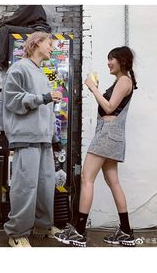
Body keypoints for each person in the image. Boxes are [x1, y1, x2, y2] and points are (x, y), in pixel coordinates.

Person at [54, 46, 138, 247]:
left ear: (122, 61)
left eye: (112, 59)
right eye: (108, 59)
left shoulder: (124, 80)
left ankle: (79, 232)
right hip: (111, 134)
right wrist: (98, 89)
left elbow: (109, 108)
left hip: (107, 134)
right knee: (114, 183)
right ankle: (126, 231)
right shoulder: (122, 81)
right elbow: (110, 107)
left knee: (86, 178)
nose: (108, 63)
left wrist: (93, 88)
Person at [2, 31, 62, 247]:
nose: (52, 48)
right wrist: (44, 97)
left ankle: (42, 226)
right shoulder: (19, 68)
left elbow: (47, 110)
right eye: (49, 44)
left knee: (46, 186)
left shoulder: (42, 74)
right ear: (36, 43)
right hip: (25, 137)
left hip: (43, 138)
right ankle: (16, 233)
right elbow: (13, 100)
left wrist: (55, 136)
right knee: (25, 187)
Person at [0, 5, 51, 89]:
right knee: (5, 37)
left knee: (4, 30)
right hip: (35, 30)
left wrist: (1, 24)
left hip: (37, 31)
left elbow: (18, 17)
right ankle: (2, 78)